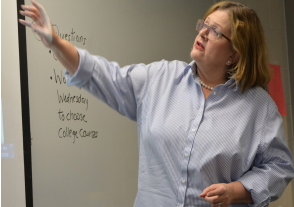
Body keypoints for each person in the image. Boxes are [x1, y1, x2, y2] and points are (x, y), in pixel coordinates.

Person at [19, 0, 294, 206]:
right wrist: (54, 41)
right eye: (203, 25)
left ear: (234, 54)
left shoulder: (258, 107)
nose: (202, 33)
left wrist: (237, 191)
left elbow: (280, 167)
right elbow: (100, 74)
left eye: (215, 31)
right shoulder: (161, 78)